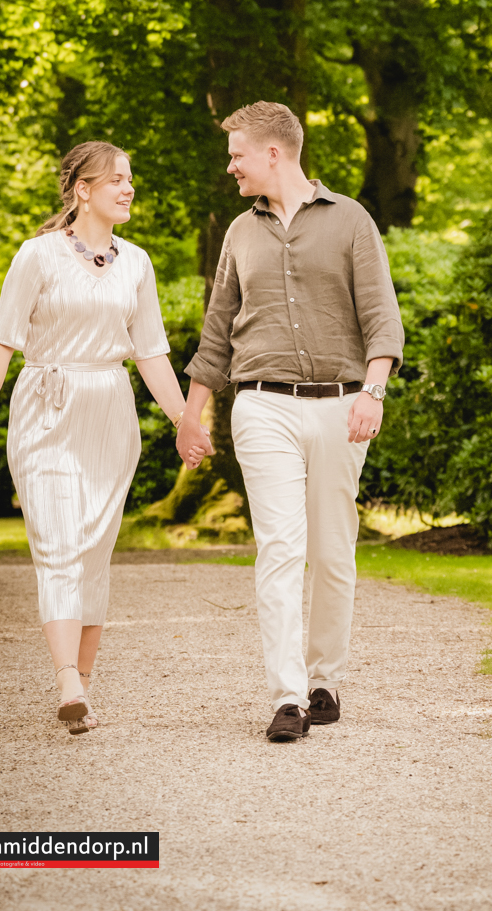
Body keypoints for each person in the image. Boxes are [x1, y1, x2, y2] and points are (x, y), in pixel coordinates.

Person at [177, 100, 404, 742]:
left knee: (332, 551)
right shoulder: (239, 233)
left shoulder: (352, 221)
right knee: (281, 548)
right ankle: (287, 695)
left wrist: (373, 392)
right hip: (261, 405)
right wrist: (192, 416)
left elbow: (382, 316)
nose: (231, 168)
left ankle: (326, 679)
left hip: (341, 404)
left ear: (273, 153)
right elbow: (217, 330)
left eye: (237, 155)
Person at [0, 141, 186, 734]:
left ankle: (81, 690)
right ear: (81, 190)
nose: (128, 187)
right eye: (116, 178)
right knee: (60, 543)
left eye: (131, 177)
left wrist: (184, 421)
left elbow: (152, 354)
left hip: (111, 413)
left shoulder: (137, 263)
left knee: (94, 550)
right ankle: (66, 679)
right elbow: (3, 340)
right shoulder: (36, 257)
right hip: (47, 408)